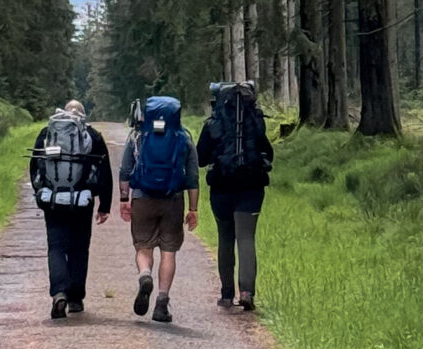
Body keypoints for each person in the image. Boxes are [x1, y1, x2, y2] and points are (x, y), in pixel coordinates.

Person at [118, 93, 198, 323]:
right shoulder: (184, 137)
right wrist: (193, 209)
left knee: (143, 247)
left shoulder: (137, 136)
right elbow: (192, 177)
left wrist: (124, 200)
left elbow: (125, 170)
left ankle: (145, 275)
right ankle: (162, 302)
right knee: (168, 251)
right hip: (173, 200)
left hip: (143, 199)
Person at [29, 99, 111, 320]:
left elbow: (35, 166)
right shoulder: (92, 136)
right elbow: (104, 171)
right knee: (79, 249)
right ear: (83, 116)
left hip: (53, 201)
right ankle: (75, 299)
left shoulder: (47, 133)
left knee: (56, 247)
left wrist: (41, 191)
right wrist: (105, 205)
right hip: (82, 202)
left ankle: (58, 292)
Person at [198, 80, 273, 311]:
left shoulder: (213, 124)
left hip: (221, 189)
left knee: (226, 239)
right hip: (251, 187)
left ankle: (226, 294)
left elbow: (201, 158)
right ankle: (247, 291)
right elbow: (267, 152)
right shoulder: (256, 121)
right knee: (247, 238)